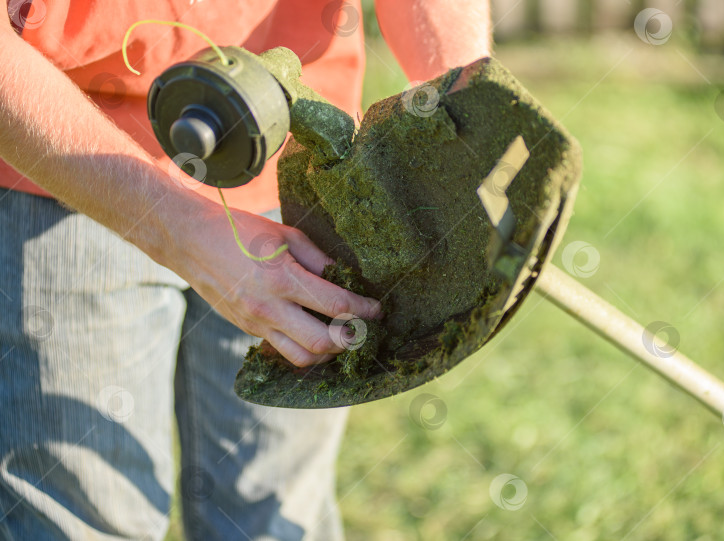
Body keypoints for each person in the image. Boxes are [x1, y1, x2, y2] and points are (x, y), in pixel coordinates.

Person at [0, 0, 490, 539]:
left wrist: (463, 116)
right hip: (66, 159)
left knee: (273, 516)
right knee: (80, 514)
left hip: (297, 161)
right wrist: (178, 228)